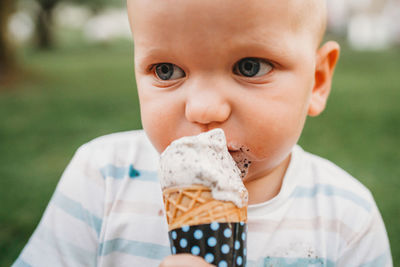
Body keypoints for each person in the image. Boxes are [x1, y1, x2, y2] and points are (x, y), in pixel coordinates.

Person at [13, 0, 392, 266]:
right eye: (166, 71)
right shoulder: (102, 178)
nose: (203, 109)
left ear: (318, 80)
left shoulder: (346, 217)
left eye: (250, 66)